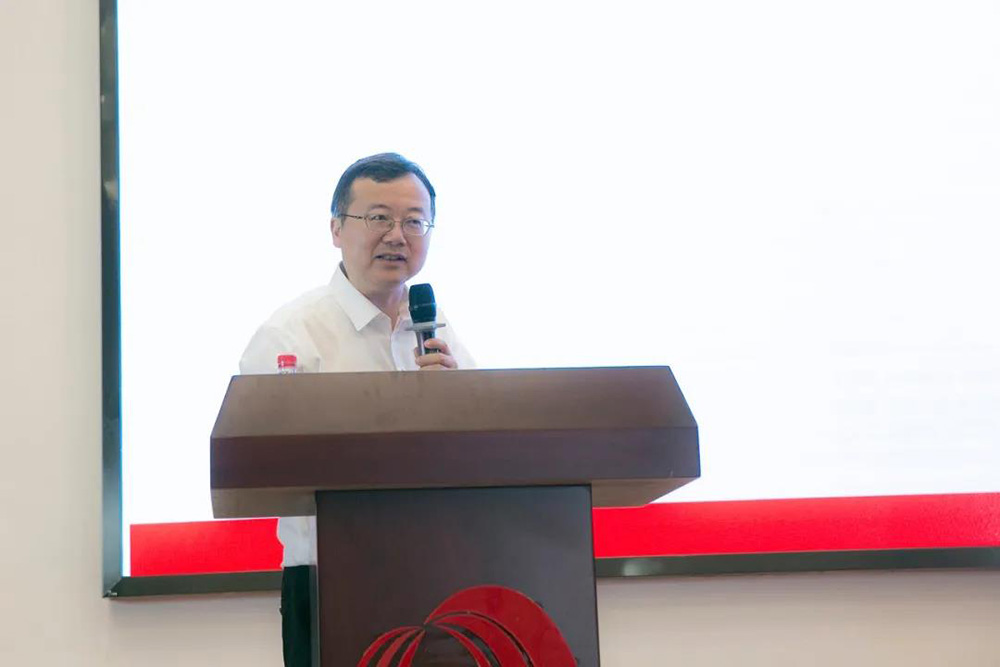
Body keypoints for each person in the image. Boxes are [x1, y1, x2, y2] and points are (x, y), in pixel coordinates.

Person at [238, 153, 475, 667]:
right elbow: (263, 466)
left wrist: (458, 406)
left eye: (414, 221)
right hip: (332, 582)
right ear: (335, 229)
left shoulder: (436, 329)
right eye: (378, 218)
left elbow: (491, 448)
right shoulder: (292, 335)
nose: (397, 235)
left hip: (439, 577)